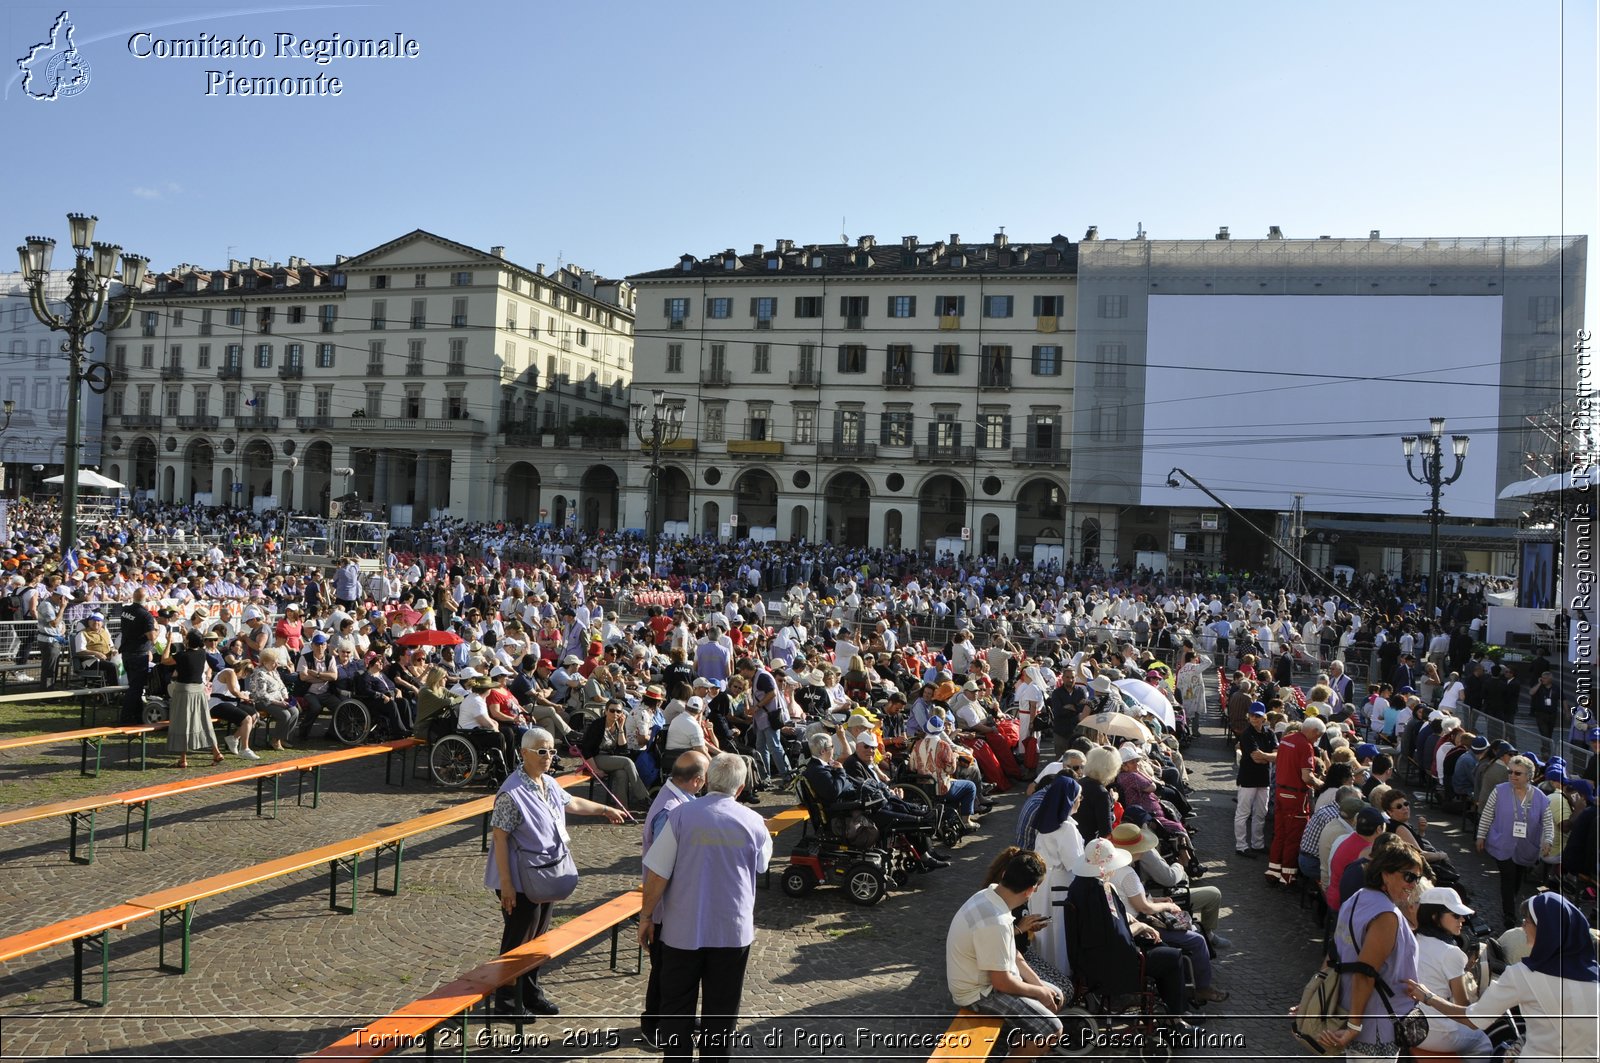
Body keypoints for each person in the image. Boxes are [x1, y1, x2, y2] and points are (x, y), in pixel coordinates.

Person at [639, 753, 771, 1063]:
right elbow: (762, 866)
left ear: (708, 780)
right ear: (739, 789)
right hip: (730, 930)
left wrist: (646, 917)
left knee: (677, 1008)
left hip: (682, 930)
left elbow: (658, 872)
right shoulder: (754, 822)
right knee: (722, 1011)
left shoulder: (682, 816)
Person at [486, 727, 627, 1017]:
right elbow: (499, 839)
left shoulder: (548, 782)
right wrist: (507, 885)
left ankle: (531, 992)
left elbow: (571, 802)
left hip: (545, 873)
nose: (548, 756)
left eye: (551, 751)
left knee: (539, 938)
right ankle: (507, 999)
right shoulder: (511, 793)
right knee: (519, 940)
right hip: (520, 879)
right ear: (524, 753)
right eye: (541, 751)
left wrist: (604, 809)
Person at [1406, 891, 1599, 1062]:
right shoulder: (1594, 975)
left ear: (1546, 929)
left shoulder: (1522, 975)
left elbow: (1474, 1019)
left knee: (1488, 1044)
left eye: (1527, 921)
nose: (1522, 926)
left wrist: (1429, 998)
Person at [946, 849, 1064, 1062]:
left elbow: (1013, 953)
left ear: (1004, 875)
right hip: (978, 993)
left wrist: (1040, 988)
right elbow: (1001, 983)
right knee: (1051, 1030)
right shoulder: (995, 921)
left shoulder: (989, 896)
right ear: (1030, 891)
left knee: (1055, 995)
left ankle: (1023, 1051)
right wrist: (1038, 992)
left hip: (987, 983)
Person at [1317, 837, 1427, 1059]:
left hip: (1351, 1011)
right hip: (1376, 1024)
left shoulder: (1356, 900)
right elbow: (1365, 974)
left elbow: (1333, 956)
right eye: (1409, 876)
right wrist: (1354, 1027)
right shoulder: (1386, 915)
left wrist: (1315, 1000)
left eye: (1417, 878)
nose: (1414, 884)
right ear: (1386, 874)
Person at [640, 749, 710, 1050]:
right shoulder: (670, 810)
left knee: (674, 969)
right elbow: (661, 868)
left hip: (673, 905)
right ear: (696, 781)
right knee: (664, 971)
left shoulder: (682, 800)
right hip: (665, 907)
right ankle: (654, 1024)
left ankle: (676, 1018)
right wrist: (650, 914)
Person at [1407, 886, 1494, 1057]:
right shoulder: (1451, 952)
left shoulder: (1412, 939)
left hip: (1409, 1024)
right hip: (1435, 1032)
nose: (1462, 919)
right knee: (1483, 1043)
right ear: (1434, 917)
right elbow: (1463, 1007)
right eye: (1455, 915)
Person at [1477, 754, 1555, 925]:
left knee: (1517, 876)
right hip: (1502, 844)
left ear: (1529, 776)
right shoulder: (1499, 791)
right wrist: (1480, 836)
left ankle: (1510, 901)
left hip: (1526, 846)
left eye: (1518, 773)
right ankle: (1509, 913)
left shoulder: (1541, 797)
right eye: (1510, 772)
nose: (1512, 776)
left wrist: (1548, 840)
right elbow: (1487, 815)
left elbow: (1548, 822)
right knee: (1508, 875)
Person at [1023, 772, 1082, 977]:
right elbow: (1075, 864)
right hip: (1060, 887)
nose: (1080, 801)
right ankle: (1060, 975)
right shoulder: (1066, 828)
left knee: (1045, 935)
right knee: (1058, 935)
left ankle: (1044, 972)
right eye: (1078, 798)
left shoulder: (1046, 823)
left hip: (1043, 885)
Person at [1269, 715, 1326, 886]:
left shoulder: (1286, 739)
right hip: (1296, 796)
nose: (1317, 740)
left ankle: (1273, 870)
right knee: (1293, 836)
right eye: (1318, 736)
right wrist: (1322, 785)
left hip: (1280, 791)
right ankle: (1287, 876)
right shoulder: (1305, 746)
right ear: (1314, 731)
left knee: (1280, 833)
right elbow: (1307, 777)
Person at [165, 628, 222, 769]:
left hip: (184, 690)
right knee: (204, 721)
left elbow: (164, 660)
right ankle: (216, 752)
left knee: (182, 723)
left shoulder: (181, 655)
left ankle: (183, 759)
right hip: (199, 691)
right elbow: (195, 644)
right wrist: (187, 635)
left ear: (188, 641)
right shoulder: (202, 653)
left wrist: (168, 642)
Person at [1235, 703, 1276, 857]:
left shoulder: (1270, 733)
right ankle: (1241, 846)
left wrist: (1264, 756)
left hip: (1263, 779)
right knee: (1243, 813)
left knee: (1261, 812)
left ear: (1263, 717)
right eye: (1252, 715)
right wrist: (1269, 757)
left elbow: (1275, 756)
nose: (1254, 718)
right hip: (1248, 778)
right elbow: (1256, 758)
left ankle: (1257, 844)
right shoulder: (1247, 734)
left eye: (1257, 716)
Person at [247, 646, 300, 750]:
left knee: (295, 711)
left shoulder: (274, 671)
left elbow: (282, 686)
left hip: (278, 700)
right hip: (263, 701)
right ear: (265, 662)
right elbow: (261, 694)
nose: (276, 665)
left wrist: (285, 697)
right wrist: (278, 703)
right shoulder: (259, 673)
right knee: (285, 715)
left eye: (277, 662)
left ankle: (283, 738)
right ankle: (275, 740)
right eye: (273, 662)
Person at [119, 587, 157, 726]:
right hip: (138, 654)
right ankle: (126, 718)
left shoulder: (125, 611)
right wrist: (156, 629)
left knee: (134, 686)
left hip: (127, 653)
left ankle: (136, 715)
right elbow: (152, 637)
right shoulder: (146, 615)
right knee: (136, 688)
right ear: (146, 599)